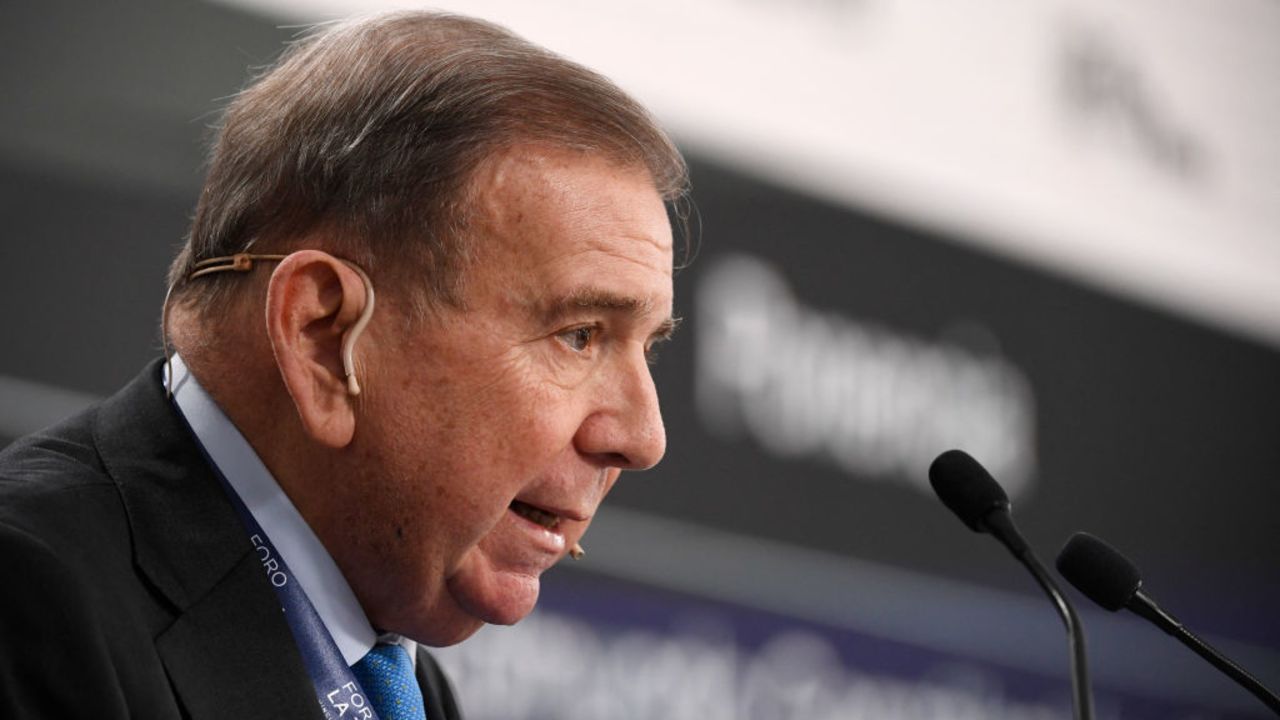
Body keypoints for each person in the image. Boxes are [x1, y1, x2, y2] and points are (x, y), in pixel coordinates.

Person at [0, 10, 688, 719]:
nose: (643, 438)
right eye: (579, 334)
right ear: (323, 339)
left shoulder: (396, 683)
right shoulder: (31, 604)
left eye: (649, 347)